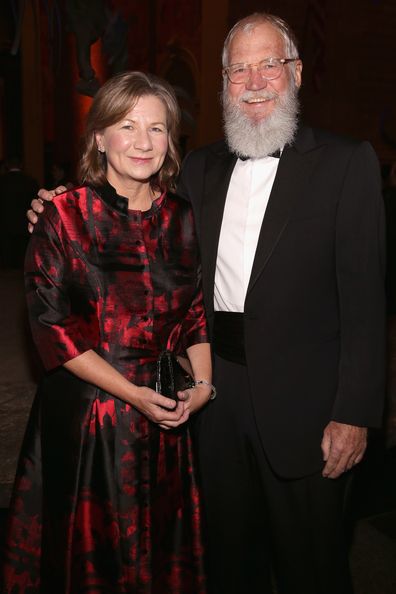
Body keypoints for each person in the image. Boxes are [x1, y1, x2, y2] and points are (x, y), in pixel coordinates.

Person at [27, 12, 386, 594]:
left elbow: (367, 300)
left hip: (308, 405)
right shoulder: (199, 166)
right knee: (222, 558)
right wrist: (53, 204)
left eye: (268, 64)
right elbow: (136, 220)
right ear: (223, 83)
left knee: (313, 565)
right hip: (212, 398)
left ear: (294, 72)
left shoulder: (347, 163)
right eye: (238, 69)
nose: (254, 80)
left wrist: (355, 413)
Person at [3, 71, 213, 594]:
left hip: (165, 417)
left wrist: (203, 388)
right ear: (99, 136)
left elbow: (194, 315)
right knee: (93, 562)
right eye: (127, 125)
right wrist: (133, 396)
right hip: (90, 421)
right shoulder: (63, 215)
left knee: (161, 555)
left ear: (172, 141)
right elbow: (53, 328)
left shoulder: (183, 218)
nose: (143, 142)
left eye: (158, 128)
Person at [0, 156, 38, 268]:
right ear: (21, 165)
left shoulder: (2, 181)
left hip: (4, 224)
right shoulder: (30, 181)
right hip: (25, 224)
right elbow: (36, 203)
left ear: (7, 165)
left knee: (7, 257)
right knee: (23, 255)